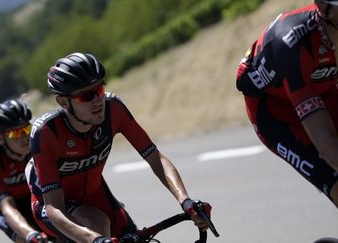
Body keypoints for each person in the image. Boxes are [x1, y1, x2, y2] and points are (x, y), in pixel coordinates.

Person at [236, 0, 338, 242]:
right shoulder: (291, 41)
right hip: (277, 113)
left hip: (322, 90)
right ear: (326, 9)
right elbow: (326, 143)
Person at [25, 52, 212, 242]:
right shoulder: (47, 133)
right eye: (86, 96)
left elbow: (155, 157)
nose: (98, 100)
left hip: (96, 195)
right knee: (96, 222)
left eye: (99, 90)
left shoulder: (113, 108)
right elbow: (54, 207)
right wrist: (94, 239)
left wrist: (185, 201)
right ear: (63, 102)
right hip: (54, 207)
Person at [0, 99, 48, 243]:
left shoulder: (39, 142)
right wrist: (31, 234)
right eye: (15, 133)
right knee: (26, 239)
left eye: (26, 129)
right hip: (10, 205)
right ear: (0, 137)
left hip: (35, 197)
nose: (24, 136)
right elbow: (7, 206)